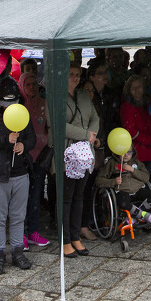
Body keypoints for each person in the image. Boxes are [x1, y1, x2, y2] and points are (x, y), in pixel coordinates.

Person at [0, 77, 36, 275]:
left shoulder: (23, 113)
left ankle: (18, 251)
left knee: (19, 216)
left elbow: (32, 138)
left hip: (20, 173)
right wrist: (6, 139)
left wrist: (23, 145)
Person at [63, 62, 101, 257]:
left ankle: (76, 236)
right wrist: (86, 134)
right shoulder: (57, 97)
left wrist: (92, 133)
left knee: (79, 196)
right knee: (67, 198)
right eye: (71, 74)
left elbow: (95, 117)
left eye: (78, 74)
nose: (75, 78)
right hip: (68, 153)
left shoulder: (84, 96)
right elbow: (59, 125)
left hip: (85, 154)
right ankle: (65, 239)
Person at [18, 71, 50, 248]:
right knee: (22, 197)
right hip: (24, 158)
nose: (31, 88)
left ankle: (33, 231)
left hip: (41, 155)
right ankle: (20, 233)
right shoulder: (18, 107)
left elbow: (47, 126)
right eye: (27, 84)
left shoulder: (43, 104)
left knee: (36, 194)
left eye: (34, 84)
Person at [95, 145, 151, 225]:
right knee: (123, 203)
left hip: (138, 189)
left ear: (133, 153)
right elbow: (99, 180)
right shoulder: (111, 163)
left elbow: (146, 178)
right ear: (117, 152)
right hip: (122, 191)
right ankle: (144, 215)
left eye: (129, 152)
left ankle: (135, 216)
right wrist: (113, 181)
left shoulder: (136, 162)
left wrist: (133, 170)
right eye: (123, 152)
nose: (126, 155)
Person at [120, 75, 151, 179]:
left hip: (150, 151)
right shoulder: (127, 107)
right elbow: (130, 131)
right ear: (128, 91)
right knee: (138, 183)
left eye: (139, 87)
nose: (137, 90)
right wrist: (150, 140)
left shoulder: (148, 103)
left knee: (147, 181)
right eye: (133, 88)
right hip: (138, 152)